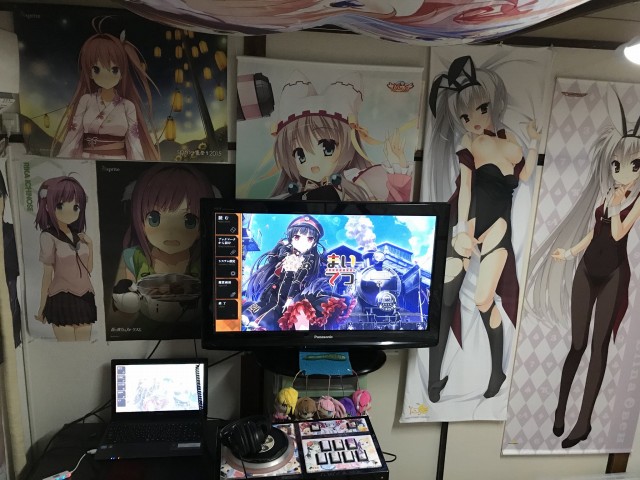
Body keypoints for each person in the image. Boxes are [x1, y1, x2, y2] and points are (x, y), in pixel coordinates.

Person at [526, 90, 640, 448]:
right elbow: (595, 232)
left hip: (614, 276)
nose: (622, 173)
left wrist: (617, 204)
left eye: (633, 166)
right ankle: (560, 409)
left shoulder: (634, 200)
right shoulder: (608, 194)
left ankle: (584, 421)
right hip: (587, 270)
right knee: (577, 344)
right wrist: (570, 251)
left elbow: (618, 233)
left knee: (598, 347)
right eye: (617, 165)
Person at [424, 55, 540, 402]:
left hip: (499, 230)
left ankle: (497, 372)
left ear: (491, 106)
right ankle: (433, 381)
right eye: (464, 116)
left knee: (483, 300)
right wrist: (461, 229)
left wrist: (534, 143)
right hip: (469, 224)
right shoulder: (470, 143)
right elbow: (466, 189)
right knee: (445, 299)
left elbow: (524, 175)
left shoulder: (510, 141)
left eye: (480, 110)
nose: (473, 121)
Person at [268, 71, 413, 201]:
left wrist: (398, 168)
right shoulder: (292, 193)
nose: (314, 166)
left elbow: (387, 212)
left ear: (349, 146)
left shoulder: (356, 184)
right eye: (300, 155)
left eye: (328, 149)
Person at [112, 164, 217, 322]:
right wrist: (126, 302)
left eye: (189, 221)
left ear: (202, 227)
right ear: (140, 223)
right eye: (154, 219)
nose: (171, 232)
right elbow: (121, 318)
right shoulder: (133, 258)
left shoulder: (205, 261)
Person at [52, 19, 159, 160]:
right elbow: (74, 134)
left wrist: (136, 164)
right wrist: (64, 162)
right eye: (97, 69)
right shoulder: (86, 100)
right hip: (87, 160)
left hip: (118, 161)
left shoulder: (128, 106)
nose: (106, 76)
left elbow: (134, 142)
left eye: (114, 70)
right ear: (90, 73)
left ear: (122, 74)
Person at [242, 215, 354, 330]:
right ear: (290, 238)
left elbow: (299, 281)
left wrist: (291, 298)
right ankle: (250, 319)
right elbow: (272, 261)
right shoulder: (285, 255)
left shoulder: (311, 262)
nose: (302, 242)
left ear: (314, 243)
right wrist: (279, 246)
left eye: (309, 239)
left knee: (285, 315)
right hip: (274, 293)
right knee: (259, 307)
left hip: (296, 298)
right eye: (297, 237)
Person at [34, 176, 96, 341]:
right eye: (60, 206)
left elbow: (88, 270)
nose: (69, 212)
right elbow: (47, 275)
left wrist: (90, 246)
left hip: (85, 296)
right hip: (62, 297)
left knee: (84, 349)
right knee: (68, 349)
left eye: (76, 207)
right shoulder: (48, 236)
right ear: (47, 206)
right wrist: (42, 306)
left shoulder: (80, 235)